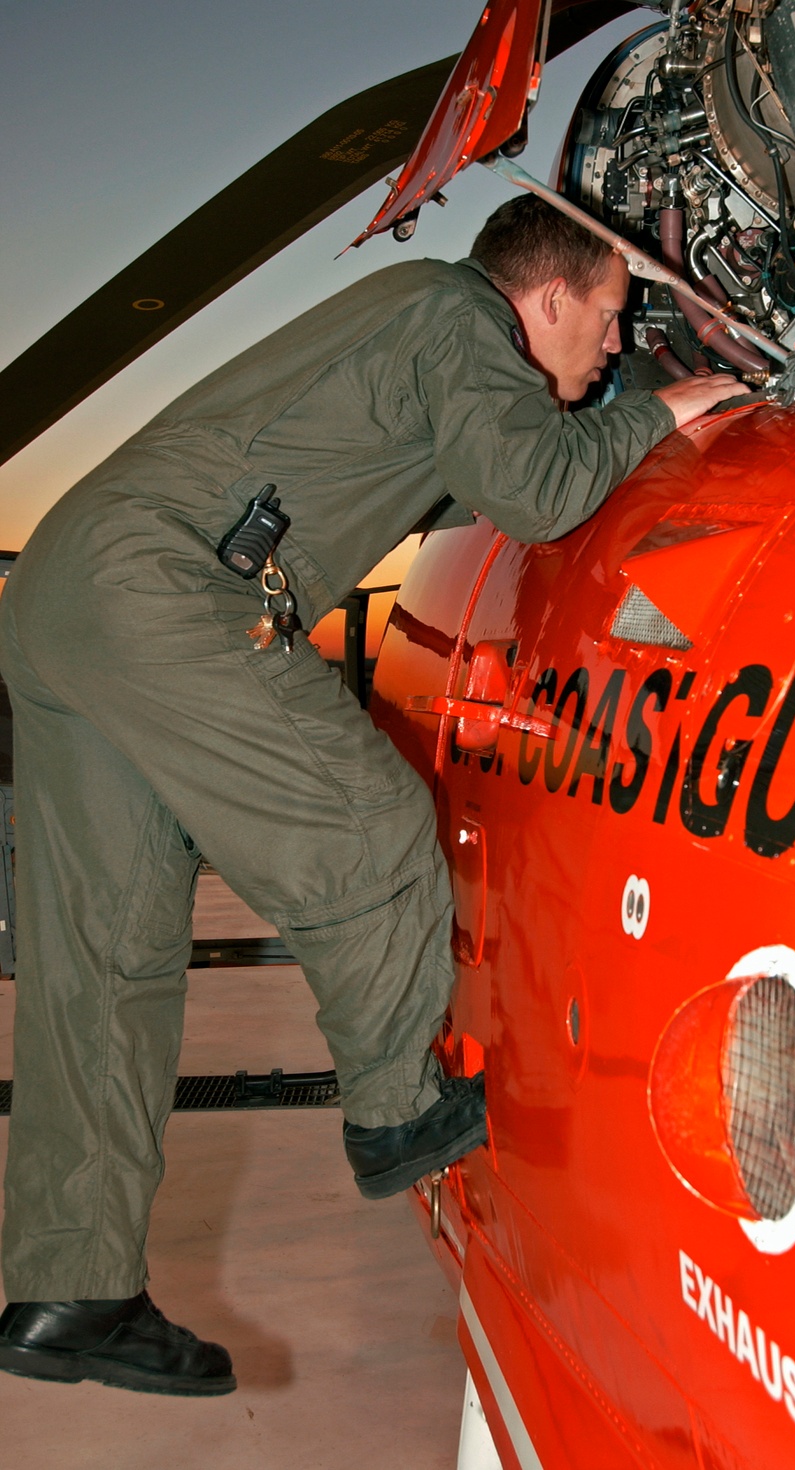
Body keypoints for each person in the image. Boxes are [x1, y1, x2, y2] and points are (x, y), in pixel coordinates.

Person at [0, 195, 746, 1397]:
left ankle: (70, 1290)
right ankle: (396, 1107)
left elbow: (477, 487)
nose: (614, 344)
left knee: (107, 962)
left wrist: (627, 414)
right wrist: (672, 403)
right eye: (610, 318)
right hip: (158, 593)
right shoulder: (455, 318)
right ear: (545, 296)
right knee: (373, 827)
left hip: (64, 602)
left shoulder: (411, 336)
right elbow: (538, 489)